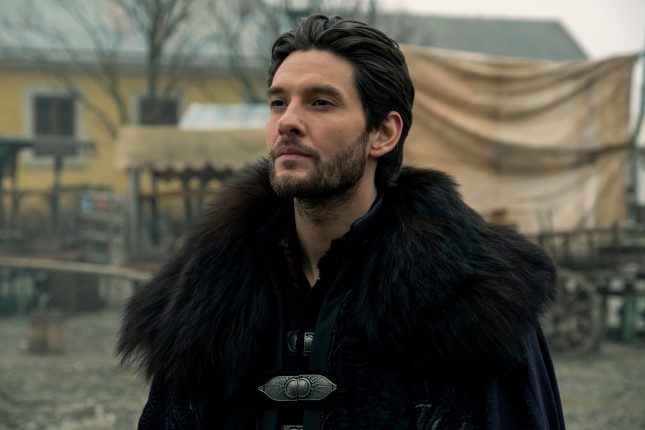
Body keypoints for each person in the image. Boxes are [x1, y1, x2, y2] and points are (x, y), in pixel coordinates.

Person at [118, 14, 565, 429]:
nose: (288, 122)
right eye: (278, 102)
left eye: (321, 102)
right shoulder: (204, 300)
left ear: (383, 133)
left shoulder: (472, 301)